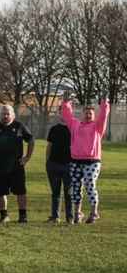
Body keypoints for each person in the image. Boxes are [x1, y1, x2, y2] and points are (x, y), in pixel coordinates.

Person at [60, 96, 109, 224]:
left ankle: (94, 213)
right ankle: (77, 213)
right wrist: (66, 103)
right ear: (82, 114)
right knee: (76, 187)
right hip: (76, 161)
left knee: (89, 184)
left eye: (90, 113)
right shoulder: (75, 124)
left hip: (92, 161)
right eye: (86, 113)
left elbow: (103, 116)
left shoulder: (97, 126)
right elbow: (67, 116)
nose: (88, 115)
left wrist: (104, 104)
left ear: (94, 115)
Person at [0, 105, 34, 223]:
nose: (5, 116)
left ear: (13, 115)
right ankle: (4, 216)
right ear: (0, 115)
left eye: (8, 114)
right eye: (3, 114)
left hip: (16, 166)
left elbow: (31, 140)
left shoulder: (19, 126)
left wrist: (27, 157)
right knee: (0, 192)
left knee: (21, 191)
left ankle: (22, 216)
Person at [46, 110, 73, 224]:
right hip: (54, 164)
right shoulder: (54, 129)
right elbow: (49, 146)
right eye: (61, 113)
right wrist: (47, 161)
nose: (63, 116)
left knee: (69, 193)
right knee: (55, 192)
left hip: (69, 165)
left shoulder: (73, 129)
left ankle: (70, 217)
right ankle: (55, 216)